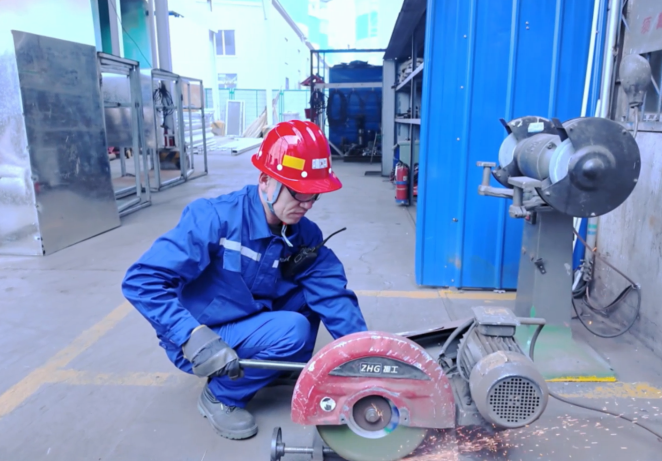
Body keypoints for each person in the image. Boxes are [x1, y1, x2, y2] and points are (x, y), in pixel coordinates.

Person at [121, 120, 368, 441]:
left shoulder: (302, 233)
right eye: (299, 192)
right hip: (198, 337)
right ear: (265, 181)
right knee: (293, 329)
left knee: (312, 292)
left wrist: (365, 356)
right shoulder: (215, 219)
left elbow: (331, 292)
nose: (307, 205)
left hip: (248, 316)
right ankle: (221, 396)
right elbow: (142, 279)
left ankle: (273, 366)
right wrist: (190, 335)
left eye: (314, 195)